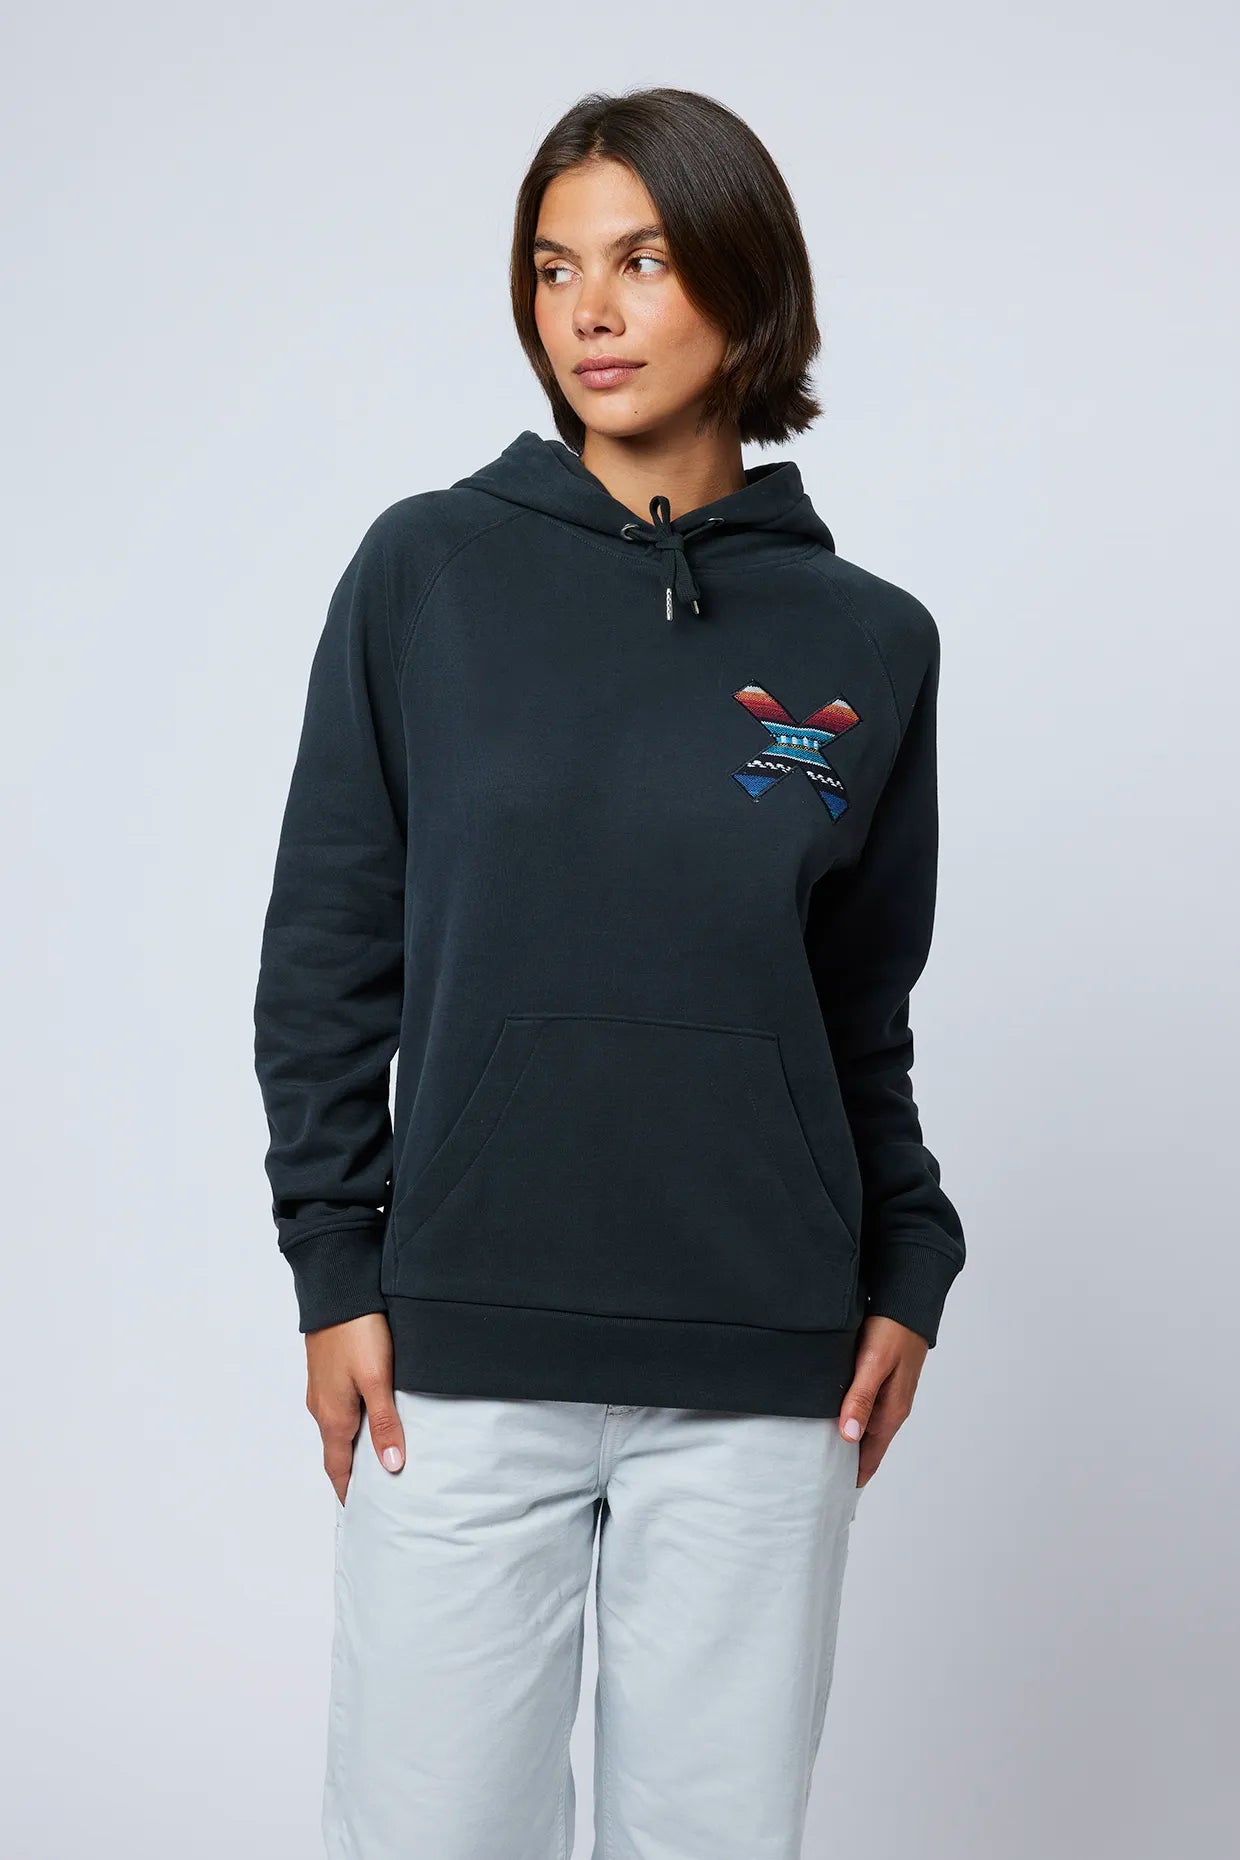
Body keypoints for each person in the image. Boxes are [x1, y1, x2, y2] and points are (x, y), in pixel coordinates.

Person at [253, 84, 966, 1860]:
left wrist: (909, 1259)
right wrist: (333, 1264)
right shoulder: (427, 575)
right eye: (556, 266)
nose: (590, 308)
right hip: (459, 1352)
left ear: (745, 281)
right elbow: (328, 949)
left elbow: (859, 1008)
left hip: (764, 1360)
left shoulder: (869, 641)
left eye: (642, 260)